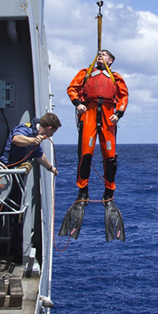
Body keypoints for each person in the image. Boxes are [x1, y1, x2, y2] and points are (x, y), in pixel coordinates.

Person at [58, 49, 129, 241]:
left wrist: (119, 113)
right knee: (85, 155)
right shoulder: (86, 73)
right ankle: (83, 191)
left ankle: (109, 193)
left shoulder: (115, 77)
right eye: (99, 53)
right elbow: (72, 88)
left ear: (111, 60)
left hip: (108, 114)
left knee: (110, 157)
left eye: (104, 54)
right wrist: (76, 103)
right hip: (88, 113)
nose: (100, 55)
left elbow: (123, 96)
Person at [0, 113, 61, 264]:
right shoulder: (26, 130)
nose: (52, 135)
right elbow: (16, 139)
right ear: (48, 128)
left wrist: (51, 168)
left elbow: (39, 156)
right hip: (3, 177)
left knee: (17, 217)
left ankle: (15, 255)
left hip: (16, 180)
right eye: (52, 132)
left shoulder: (37, 141)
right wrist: (32, 141)